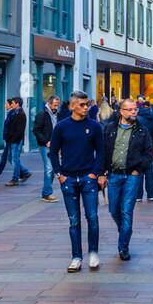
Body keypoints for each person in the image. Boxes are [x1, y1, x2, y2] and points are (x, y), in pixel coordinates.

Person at [49, 92, 104, 272]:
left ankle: (93, 252)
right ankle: (76, 256)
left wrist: (95, 173)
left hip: (88, 178)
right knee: (74, 221)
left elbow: (101, 152)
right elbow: (53, 151)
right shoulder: (62, 127)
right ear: (72, 106)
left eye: (87, 104)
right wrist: (59, 174)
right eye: (81, 105)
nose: (86, 107)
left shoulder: (94, 126)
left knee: (93, 217)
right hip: (69, 178)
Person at [100, 98, 153, 260]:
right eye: (130, 110)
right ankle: (125, 230)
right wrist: (102, 172)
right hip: (114, 174)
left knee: (126, 210)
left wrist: (139, 169)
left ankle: (123, 247)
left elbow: (149, 153)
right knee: (113, 209)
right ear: (121, 111)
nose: (133, 112)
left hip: (132, 175)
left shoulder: (142, 130)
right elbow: (103, 151)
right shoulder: (110, 128)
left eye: (135, 109)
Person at [32, 95, 61, 201]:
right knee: (49, 168)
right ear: (49, 103)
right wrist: (46, 141)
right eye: (54, 105)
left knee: (53, 169)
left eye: (57, 105)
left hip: (55, 145)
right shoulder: (42, 114)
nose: (56, 107)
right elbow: (36, 130)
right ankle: (47, 193)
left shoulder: (58, 114)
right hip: (45, 145)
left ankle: (46, 192)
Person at [134, 100, 153, 201]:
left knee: (139, 170)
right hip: (150, 146)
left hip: (139, 147)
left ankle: (139, 195)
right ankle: (151, 194)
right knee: (149, 171)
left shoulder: (137, 119)